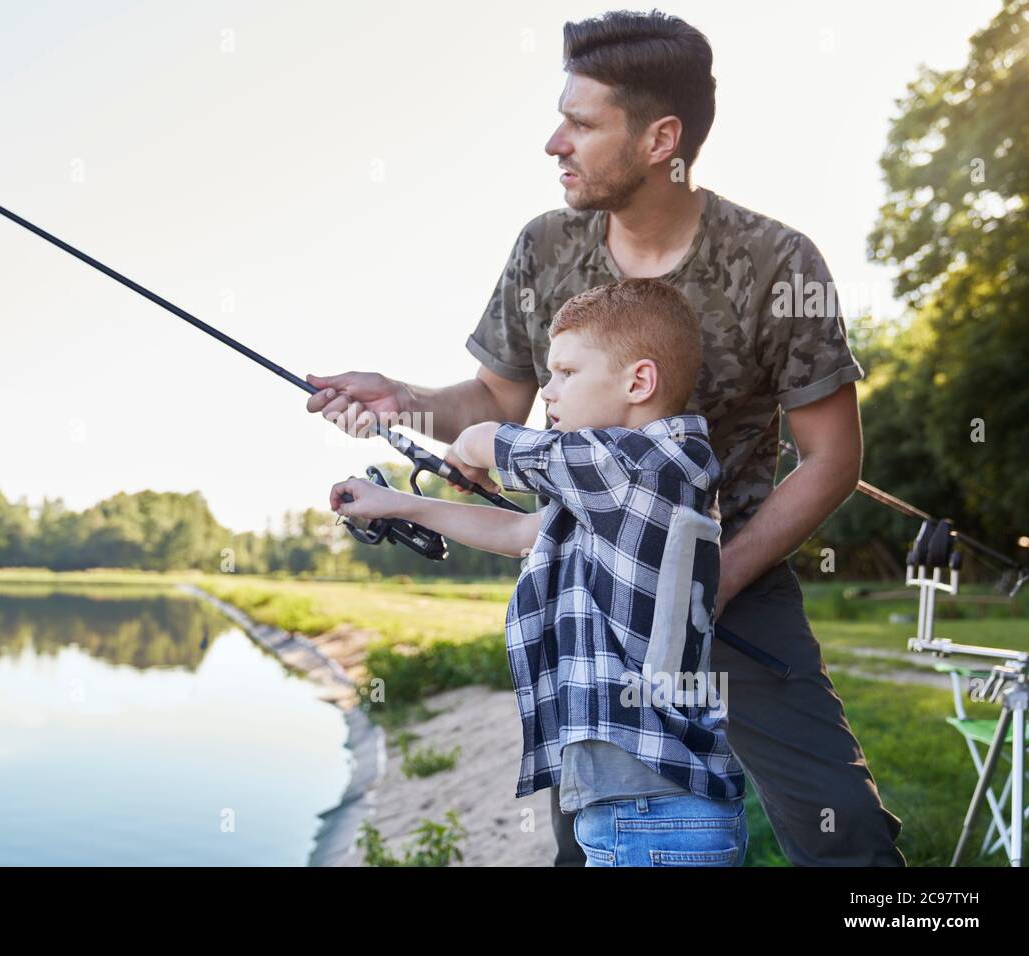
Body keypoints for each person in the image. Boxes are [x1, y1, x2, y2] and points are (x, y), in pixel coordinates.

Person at [308, 10, 905, 866]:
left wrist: (714, 580)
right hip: (592, 591)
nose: (555, 142)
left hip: (742, 583)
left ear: (662, 138)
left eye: (582, 123)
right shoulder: (544, 246)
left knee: (845, 831)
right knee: (595, 834)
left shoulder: (780, 261)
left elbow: (833, 458)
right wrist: (399, 398)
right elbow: (494, 403)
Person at [331, 279, 748, 866]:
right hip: (633, 808)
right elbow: (522, 534)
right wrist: (396, 504)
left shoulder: (641, 465)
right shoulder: (614, 481)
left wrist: (471, 452)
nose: (547, 393)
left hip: (653, 815)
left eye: (566, 373)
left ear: (639, 382)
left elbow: (488, 438)